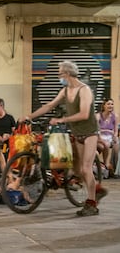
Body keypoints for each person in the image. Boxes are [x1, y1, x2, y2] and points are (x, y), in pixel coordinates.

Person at [21, 60, 107, 216]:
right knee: (78, 170)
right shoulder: (66, 91)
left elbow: (84, 113)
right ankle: (98, 190)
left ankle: (92, 204)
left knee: (86, 169)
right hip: (77, 133)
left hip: (90, 133)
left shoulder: (84, 90)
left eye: (60, 73)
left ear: (67, 74)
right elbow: (49, 105)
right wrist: (29, 116)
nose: (59, 76)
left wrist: (62, 120)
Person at [95, 98, 119, 175]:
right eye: (108, 104)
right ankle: (106, 165)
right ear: (104, 106)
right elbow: (97, 130)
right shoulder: (98, 116)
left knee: (116, 146)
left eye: (112, 104)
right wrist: (107, 131)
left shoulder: (115, 116)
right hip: (100, 137)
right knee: (104, 145)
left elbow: (116, 130)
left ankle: (113, 168)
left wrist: (115, 136)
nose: (110, 106)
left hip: (110, 137)